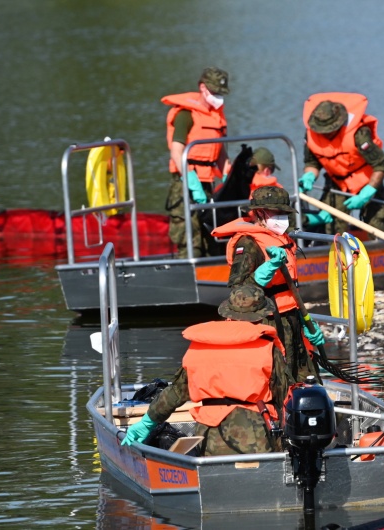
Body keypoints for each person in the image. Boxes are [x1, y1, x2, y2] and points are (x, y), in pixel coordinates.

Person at [121, 285, 294, 455]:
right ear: (262, 316)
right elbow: (285, 397)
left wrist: (148, 421)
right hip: (255, 438)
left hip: (208, 437)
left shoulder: (199, 347)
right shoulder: (269, 349)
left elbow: (175, 393)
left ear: (228, 313)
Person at [211, 185, 324, 382]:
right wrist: (264, 272)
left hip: (291, 318)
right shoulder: (247, 244)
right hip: (265, 321)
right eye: (276, 212)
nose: (282, 218)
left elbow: (289, 290)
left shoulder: (280, 238)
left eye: (284, 213)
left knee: (308, 378)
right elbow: (238, 292)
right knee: (276, 379)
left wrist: (306, 322)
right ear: (260, 213)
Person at [299, 92, 384, 236]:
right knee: (332, 225)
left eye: (328, 130)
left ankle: (378, 253)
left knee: (376, 224)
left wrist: (366, 194)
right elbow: (312, 162)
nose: (324, 134)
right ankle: (335, 255)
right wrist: (309, 175)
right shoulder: (312, 135)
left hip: (367, 182)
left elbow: (381, 166)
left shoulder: (359, 135)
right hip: (337, 183)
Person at [161, 66, 231, 258]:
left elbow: (221, 152)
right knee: (189, 236)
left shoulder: (217, 117)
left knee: (212, 235)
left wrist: (228, 175)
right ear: (203, 87)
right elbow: (177, 150)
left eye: (221, 93)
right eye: (215, 92)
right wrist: (190, 180)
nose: (218, 97)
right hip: (185, 183)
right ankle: (187, 276)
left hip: (208, 184)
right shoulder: (185, 115)